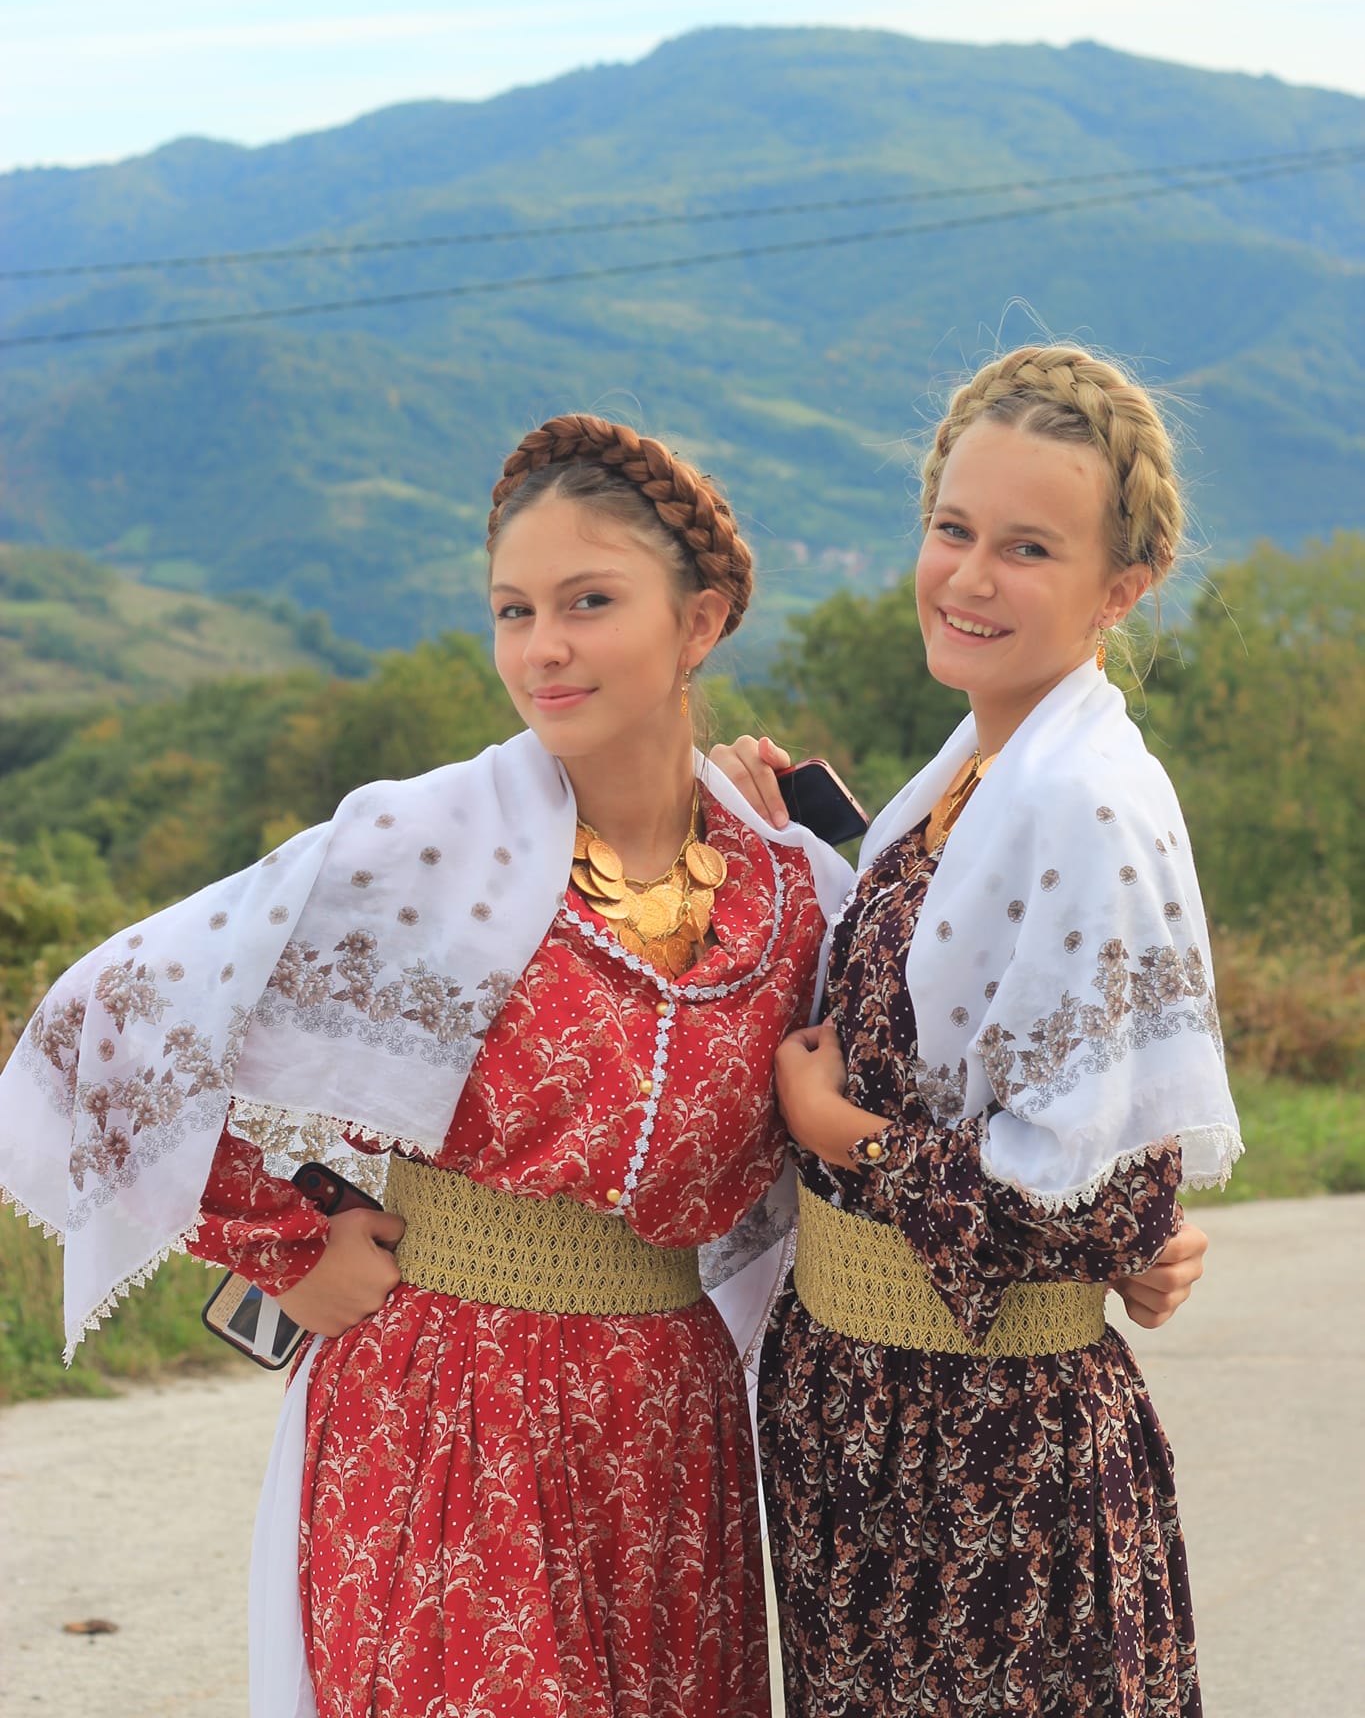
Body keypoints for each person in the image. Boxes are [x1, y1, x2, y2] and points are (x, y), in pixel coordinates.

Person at [0, 414, 855, 1718]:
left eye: (588, 602)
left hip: (666, 1436)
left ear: (700, 623)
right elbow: (104, 1026)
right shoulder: (428, 849)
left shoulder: (790, 891)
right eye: (514, 611)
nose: (542, 646)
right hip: (446, 1406)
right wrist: (285, 1237)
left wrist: (1128, 1225)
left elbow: (919, 1075)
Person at [716, 344, 1241, 1718]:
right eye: (953, 530)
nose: (968, 576)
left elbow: (1088, 1198)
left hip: (989, 1461)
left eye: (1028, 548)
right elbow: (962, 1024)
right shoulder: (976, 774)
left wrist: (839, 1133)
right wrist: (786, 846)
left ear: (1120, 588)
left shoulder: (1085, 806)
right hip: (872, 1427)